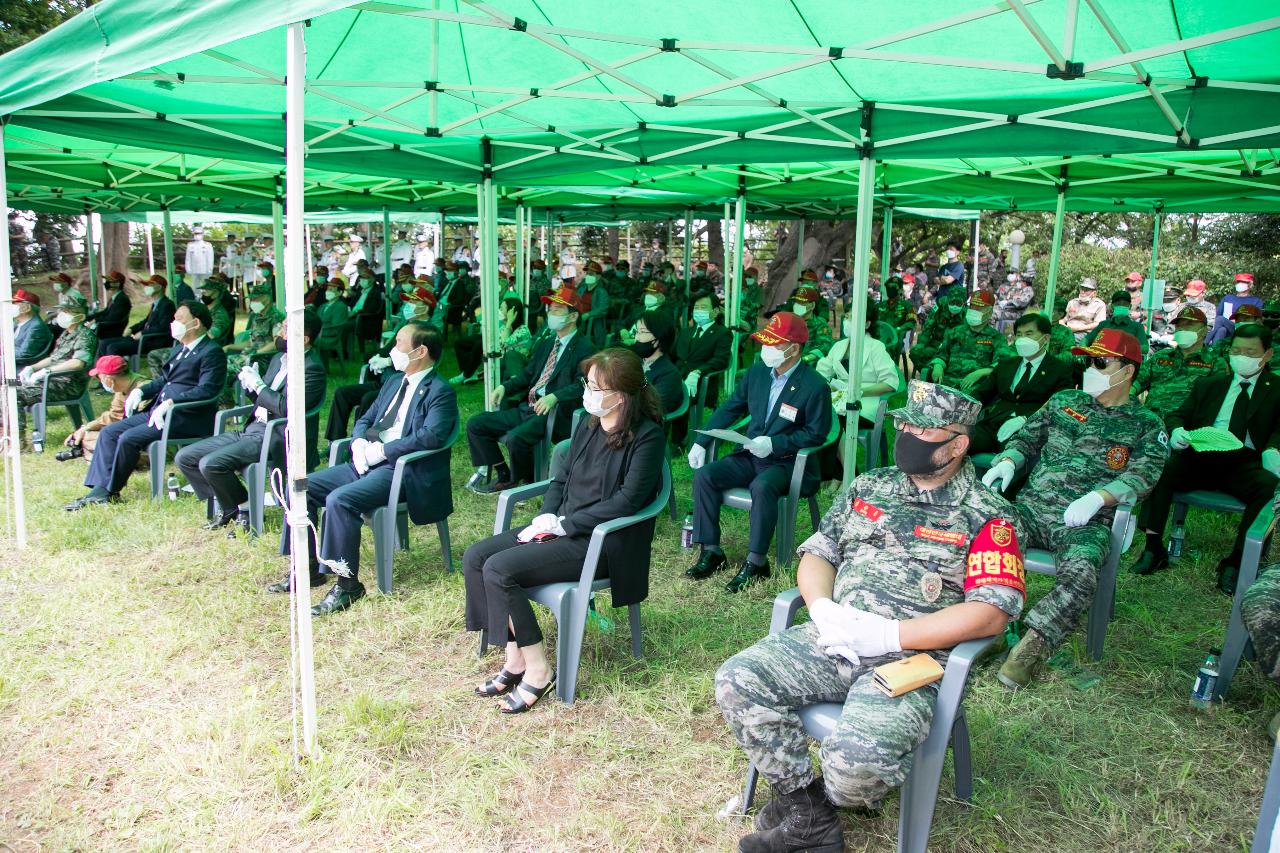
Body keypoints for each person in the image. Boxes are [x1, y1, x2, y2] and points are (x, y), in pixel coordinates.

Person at [716, 382, 1025, 851]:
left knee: (855, 771)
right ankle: (807, 815)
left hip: (914, 660)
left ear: (958, 444)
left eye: (924, 429)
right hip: (835, 636)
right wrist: (822, 610)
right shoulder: (868, 486)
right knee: (738, 679)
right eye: (905, 424)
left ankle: (817, 805)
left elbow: (990, 615)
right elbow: (819, 554)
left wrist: (886, 633)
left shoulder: (989, 516)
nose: (908, 435)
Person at [464, 347, 665, 713]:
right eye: (587, 384)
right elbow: (562, 479)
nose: (587, 393)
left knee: (499, 568)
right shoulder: (588, 425)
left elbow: (628, 501)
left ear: (620, 395)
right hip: (563, 530)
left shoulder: (647, 437)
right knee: (477, 556)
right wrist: (546, 517)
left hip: (602, 542)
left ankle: (539, 671)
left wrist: (565, 525)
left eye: (595, 387)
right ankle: (515, 659)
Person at [982, 329, 1168, 689]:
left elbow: (1145, 475)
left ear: (1127, 371)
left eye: (1100, 362)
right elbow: (1027, 437)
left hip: (1085, 522)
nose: (1090, 369)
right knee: (984, 542)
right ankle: (990, 622)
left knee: (1082, 572)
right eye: (1087, 360)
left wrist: (1101, 497)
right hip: (1033, 508)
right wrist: (1008, 461)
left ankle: (1033, 644)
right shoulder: (1065, 400)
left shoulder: (1147, 425)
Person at [277, 322, 457, 612]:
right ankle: (307, 568)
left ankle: (348, 586)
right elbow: (366, 417)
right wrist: (359, 442)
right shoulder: (393, 382)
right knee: (300, 489)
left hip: (400, 471)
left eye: (399, 343)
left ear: (420, 350)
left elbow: (431, 435)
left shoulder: (439, 391)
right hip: (368, 460)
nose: (392, 350)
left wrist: (384, 451)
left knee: (340, 500)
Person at [686, 312, 834, 593]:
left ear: (794, 348)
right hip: (751, 454)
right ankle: (711, 550)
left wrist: (776, 444)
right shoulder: (756, 373)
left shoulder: (815, 385)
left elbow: (817, 433)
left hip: (787, 463)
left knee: (762, 486)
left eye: (774, 344)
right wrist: (701, 441)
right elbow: (731, 407)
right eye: (766, 342)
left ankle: (756, 562)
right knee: (706, 475)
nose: (767, 349)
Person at [1133, 323, 1280, 591]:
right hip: (1202, 455)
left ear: (1267, 354)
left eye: (1250, 351)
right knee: (1163, 469)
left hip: (1244, 462)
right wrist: (1177, 429)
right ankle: (1154, 549)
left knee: (1268, 486)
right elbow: (1179, 413)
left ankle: (1236, 562)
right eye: (1237, 350)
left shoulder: (1276, 389)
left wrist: (1273, 449)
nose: (1242, 357)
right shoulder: (1211, 384)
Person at [65, 301, 227, 510]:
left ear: (195, 323)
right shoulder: (181, 348)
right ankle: (99, 488)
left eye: (179, 319)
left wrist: (172, 402)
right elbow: (164, 380)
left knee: (128, 438)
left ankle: (110, 490)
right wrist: (141, 391)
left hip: (186, 416)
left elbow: (208, 390)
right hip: (159, 411)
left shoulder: (211, 352)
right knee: (110, 433)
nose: (174, 323)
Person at [178, 312, 327, 531]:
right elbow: (262, 399)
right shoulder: (279, 359)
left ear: (303, 338)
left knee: (210, 463)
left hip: (276, 434)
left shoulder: (312, 369)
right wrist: (251, 387)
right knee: (186, 457)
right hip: (253, 427)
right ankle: (233, 503)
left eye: (285, 329)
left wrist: (259, 387)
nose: (279, 333)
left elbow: (287, 409)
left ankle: (243, 508)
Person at [464, 286, 597, 493]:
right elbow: (528, 375)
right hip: (530, 406)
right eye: (550, 309)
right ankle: (504, 473)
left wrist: (555, 396)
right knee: (476, 424)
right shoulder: (546, 344)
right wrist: (503, 387)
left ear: (572, 317)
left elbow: (584, 383)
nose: (550, 314)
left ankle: (523, 482)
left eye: (557, 310)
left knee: (517, 437)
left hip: (554, 412)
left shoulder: (585, 348)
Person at [324, 288, 437, 443]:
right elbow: (388, 350)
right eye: (408, 301)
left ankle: (358, 442)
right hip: (385, 380)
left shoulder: (429, 333)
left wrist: (388, 361)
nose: (408, 305)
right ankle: (334, 441)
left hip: (402, 385)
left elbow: (418, 362)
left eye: (413, 302)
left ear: (425, 307)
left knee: (368, 399)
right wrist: (376, 357)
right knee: (342, 393)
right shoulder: (407, 325)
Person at [968, 312, 1076, 455]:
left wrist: (1025, 419)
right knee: (959, 443)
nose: (1022, 339)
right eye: (1019, 334)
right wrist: (962, 407)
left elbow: (1060, 404)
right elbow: (982, 393)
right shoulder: (1006, 364)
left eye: (1029, 334)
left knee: (1010, 457)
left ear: (1046, 338)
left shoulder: (1060, 369)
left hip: (1029, 429)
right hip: (993, 423)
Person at [15, 304, 96, 444]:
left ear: (80, 317)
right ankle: (7, 434)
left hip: (67, 384)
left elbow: (78, 363)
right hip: (51, 380)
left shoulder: (85, 335)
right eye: (62, 311)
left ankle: (19, 442)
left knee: (14, 393)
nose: (61, 314)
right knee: (7, 386)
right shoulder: (66, 333)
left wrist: (48, 371)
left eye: (67, 312)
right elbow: (53, 358)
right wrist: (32, 368)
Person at [1132, 306, 1225, 426]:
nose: (1182, 329)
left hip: (1188, 427)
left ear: (1204, 330)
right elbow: (1137, 382)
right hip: (1152, 423)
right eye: (1179, 325)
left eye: (1189, 325)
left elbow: (1218, 399)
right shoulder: (1160, 357)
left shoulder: (1215, 361)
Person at [56, 355, 148, 467]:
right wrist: (86, 428)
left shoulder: (145, 388)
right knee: (89, 436)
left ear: (108, 380)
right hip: (130, 437)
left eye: (99, 378)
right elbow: (114, 416)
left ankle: (104, 459)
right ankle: (102, 458)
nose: (100, 381)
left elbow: (144, 424)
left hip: (146, 443)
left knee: (100, 440)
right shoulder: (122, 388)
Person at [922, 290, 1012, 390]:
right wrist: (938, 366)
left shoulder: (996, 338)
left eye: (979, 308)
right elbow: (941, 355)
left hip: (975, 386)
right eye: (972, 306)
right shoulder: (954, 332)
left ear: (989, 312)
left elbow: (1002, 364)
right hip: (947, 382)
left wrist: (980, 373)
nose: (974, 310)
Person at [671, 291, 733, 431]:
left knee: (670, 398)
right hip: (677, 377)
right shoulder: (686, 332)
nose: (698, 311)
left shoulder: (722, 333)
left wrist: (698, 372)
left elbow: (721, 360)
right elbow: (672, 355)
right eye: (696, 307)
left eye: (703, 307)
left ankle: (676, 441)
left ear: (715, 311)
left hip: (701, 383)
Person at [452, 295, 534, 385]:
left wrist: (509, 322)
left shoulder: (523, 330)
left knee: (480, 344)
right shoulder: (505, 326)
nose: (500, 311)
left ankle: (467, 374)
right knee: (460, 343)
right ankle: (469, 372)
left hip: (505, 359)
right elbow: (496, 339)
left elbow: (503, 344)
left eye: (502, 309)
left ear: (511, 312)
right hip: (499, 350)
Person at [99, 275, 176, 359]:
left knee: (113, 347)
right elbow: (146, 321)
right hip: (145, 338)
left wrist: (143, 333)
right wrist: (132, 329)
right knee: (104, 343)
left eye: (150, 285)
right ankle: (102, 368)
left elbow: (164, 327)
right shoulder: (155, 304)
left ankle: (114, 370)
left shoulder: (167, 304)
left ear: (159, 287)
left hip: (154, 341)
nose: (146, 287)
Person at [224, 283, 286, 374]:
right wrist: (230, 346)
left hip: (262, 359)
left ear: (267, 299)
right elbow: (251, 342)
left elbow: (276, 343)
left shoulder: (276, 318)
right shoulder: (256, 317)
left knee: (223, 367)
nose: (252, 301)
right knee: (219, 361)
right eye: (251, 299)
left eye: (255, 299)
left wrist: (255, 353)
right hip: (248, 356)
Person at [630, 310, 683, 415]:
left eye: (642, 332)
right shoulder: (635, 361)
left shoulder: (669, 374)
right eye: (636, 332)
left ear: (659, 338)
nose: (636, 338)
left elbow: (652, 409)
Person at [1083, 289, 1148, 355]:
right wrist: (1083, 350)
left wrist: (1124, 348)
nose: (1121, 306)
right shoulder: (1103, 324)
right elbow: (1086, 339)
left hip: (1124, 361)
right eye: (1118, 304)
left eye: (1125, 304)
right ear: (1112, 306)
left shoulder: (1137, 326)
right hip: (1100, 360)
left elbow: (1145, 348)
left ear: (1129, 306)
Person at [1209, 273, 1264, 346]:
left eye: (1243, 282)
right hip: (1229, 328)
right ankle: (1213, 352)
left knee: (1220, 319)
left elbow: (1257, 321)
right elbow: (1218, 314)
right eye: (1238, 282)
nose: (1240, 284)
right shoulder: (1228, 298)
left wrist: (1237, 320)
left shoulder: (1256, 301)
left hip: (1244, 329)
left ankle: (1205, 342)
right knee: (1221, 329)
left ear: (1250, 285)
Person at [789, 284, 833, 362]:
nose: (798, 305)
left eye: (802, 303)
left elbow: (825, 346)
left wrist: (805, 359)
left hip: (807, 364)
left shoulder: (820, 324)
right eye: (796, 302)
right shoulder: (789, 321)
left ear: (812, 305)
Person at [85, 271, 132, 341]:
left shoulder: (122, 299)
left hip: (111, 330)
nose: (107, 283)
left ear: (118, 284)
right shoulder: (114, 298)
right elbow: (105, 312)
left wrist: (95, 320)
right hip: (106, 327)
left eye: (110, 281)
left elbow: (113, 317)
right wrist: (87, 317)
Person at [12, 289, 52, 370]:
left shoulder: (36, 326)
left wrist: (4, 352)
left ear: (27, 307)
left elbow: (24, 354)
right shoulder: (17, 322)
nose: (12, 306)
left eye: (16, 304)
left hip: (22, 368)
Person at [314, 276, 351, 359]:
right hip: (319, 333)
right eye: (327, 289)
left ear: (340, 292)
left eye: (331, 289)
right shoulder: (323, 306)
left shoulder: (341, 307)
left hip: (328, 337)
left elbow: (335, 328)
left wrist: (316, 331)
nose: (328, 291)